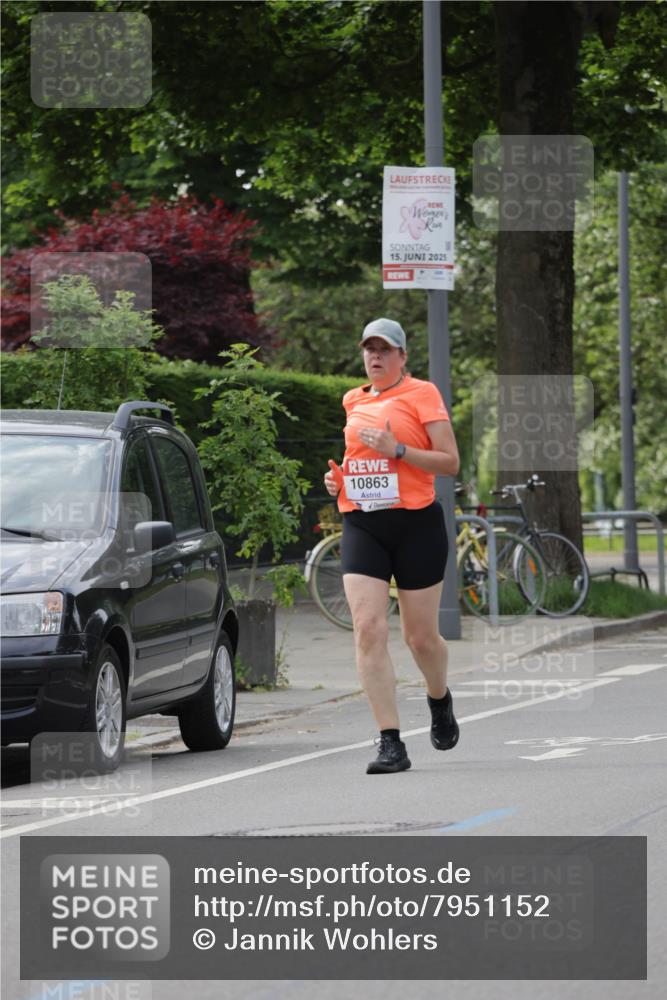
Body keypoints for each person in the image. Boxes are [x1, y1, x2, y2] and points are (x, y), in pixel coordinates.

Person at [324, 317, 460, 774]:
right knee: (368, 628)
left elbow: (449, 462)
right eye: (369, 349)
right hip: (362, 523)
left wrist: (397, 448)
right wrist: (336, 479)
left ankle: (439, 698)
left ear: (403, 356)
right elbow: (355, 460)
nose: (375, 357)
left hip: (416, 524)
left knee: (420, 638)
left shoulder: (423, 394)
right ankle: (390, 743)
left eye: (385, 349)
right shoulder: (352, 400)